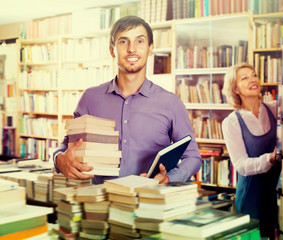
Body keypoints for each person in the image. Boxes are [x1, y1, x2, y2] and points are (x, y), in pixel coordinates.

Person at [53, 16, 202, 184]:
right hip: (100, 202)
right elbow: (67, 145)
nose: (132, 49)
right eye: (123, 42)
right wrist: (59, 159)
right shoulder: (90, 98)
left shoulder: (171, 103)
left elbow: (193, 157)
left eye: (139, 41)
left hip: (149, 201)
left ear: (150, 49)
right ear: (112, 50)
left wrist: (170, 178)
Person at [222, 63, 281, 239]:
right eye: (244, 78)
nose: (252, 79)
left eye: (254, 75)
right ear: (235, 88)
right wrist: (269, 159)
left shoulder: (274, 109)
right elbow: (240, 165)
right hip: (251, 198)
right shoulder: (231, 122)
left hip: (276, 194)